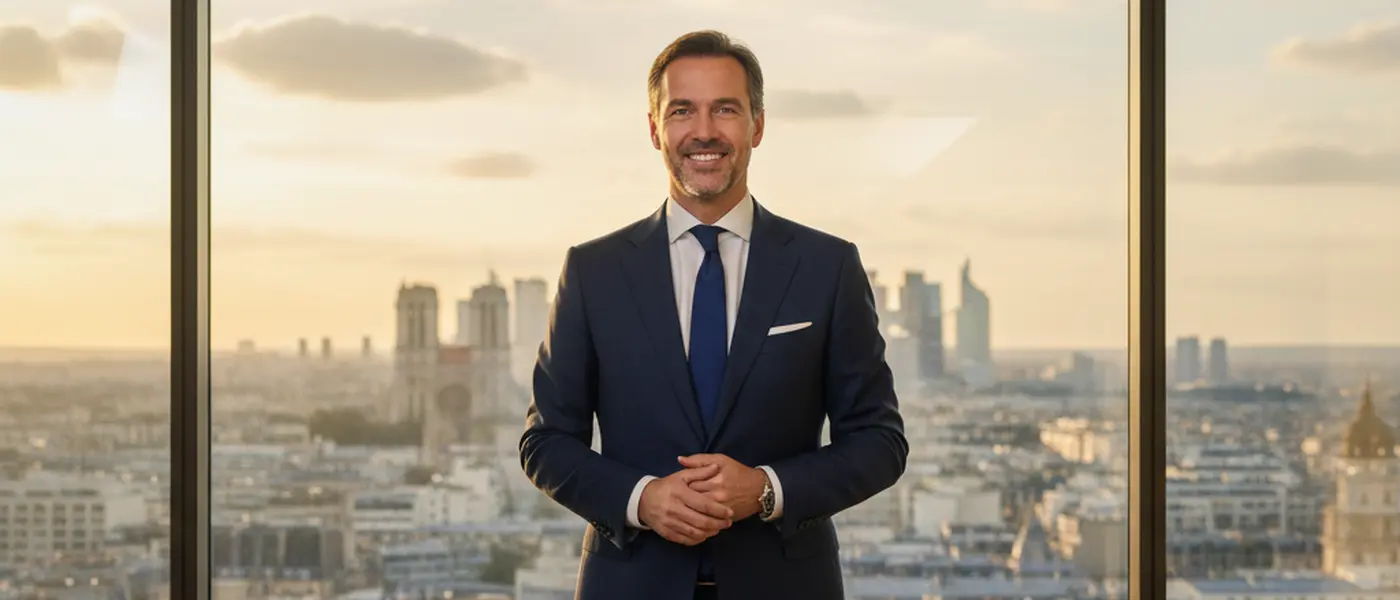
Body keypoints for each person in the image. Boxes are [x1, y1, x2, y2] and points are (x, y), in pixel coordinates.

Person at [519, 29, 908, 600]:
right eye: (682, 111)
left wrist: (767, 489)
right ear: (655, 130)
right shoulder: (593, 272)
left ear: (757, 125)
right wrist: (641, 499)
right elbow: (546, 442)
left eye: (725, 109)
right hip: (630, 584)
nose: (704, 132)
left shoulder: (827, 266)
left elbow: (879, 441)